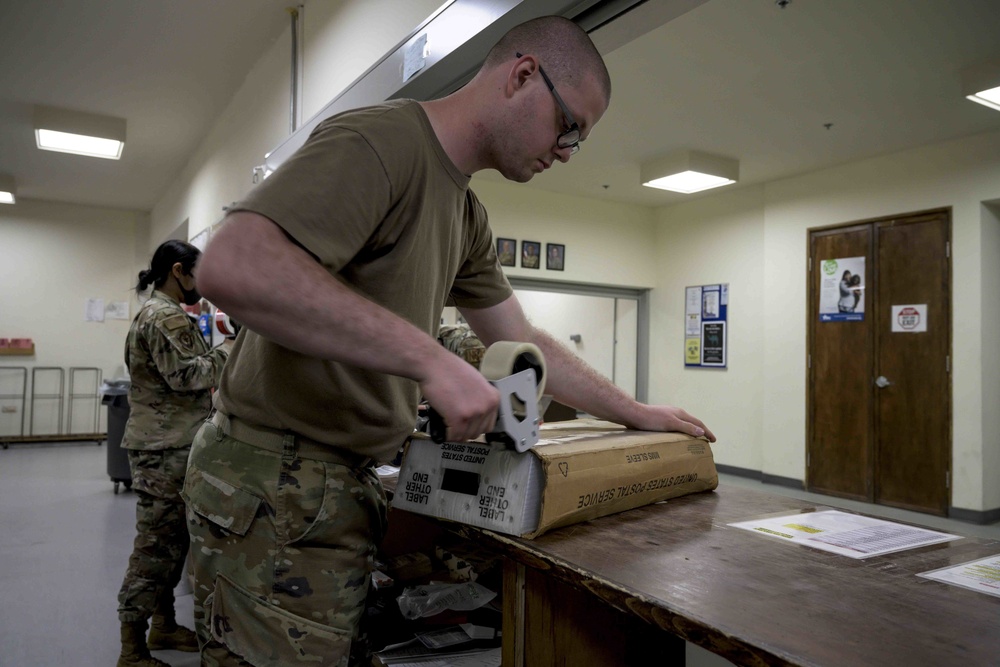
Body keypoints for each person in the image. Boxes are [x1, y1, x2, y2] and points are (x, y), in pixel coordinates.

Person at [185, 15, 715, 666]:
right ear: (523, 76)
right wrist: (430, 359)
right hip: (274, 483)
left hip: (338, 490)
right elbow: (233, 265)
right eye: (569, 125)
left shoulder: (465, 214)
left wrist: (637, 411)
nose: (569, 150)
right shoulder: (383, 141)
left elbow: (523, 342)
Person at [116, 240, 232, 667]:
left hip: (169, 445)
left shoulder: (160, 312)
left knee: (172, 543)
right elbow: (186, 376)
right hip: (164, 449)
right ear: (178, 271)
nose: (201, 285)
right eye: (198, 275)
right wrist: (232, 347)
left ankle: (162, 625)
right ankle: (131, 648)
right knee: (155, 549)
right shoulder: (164, 316)